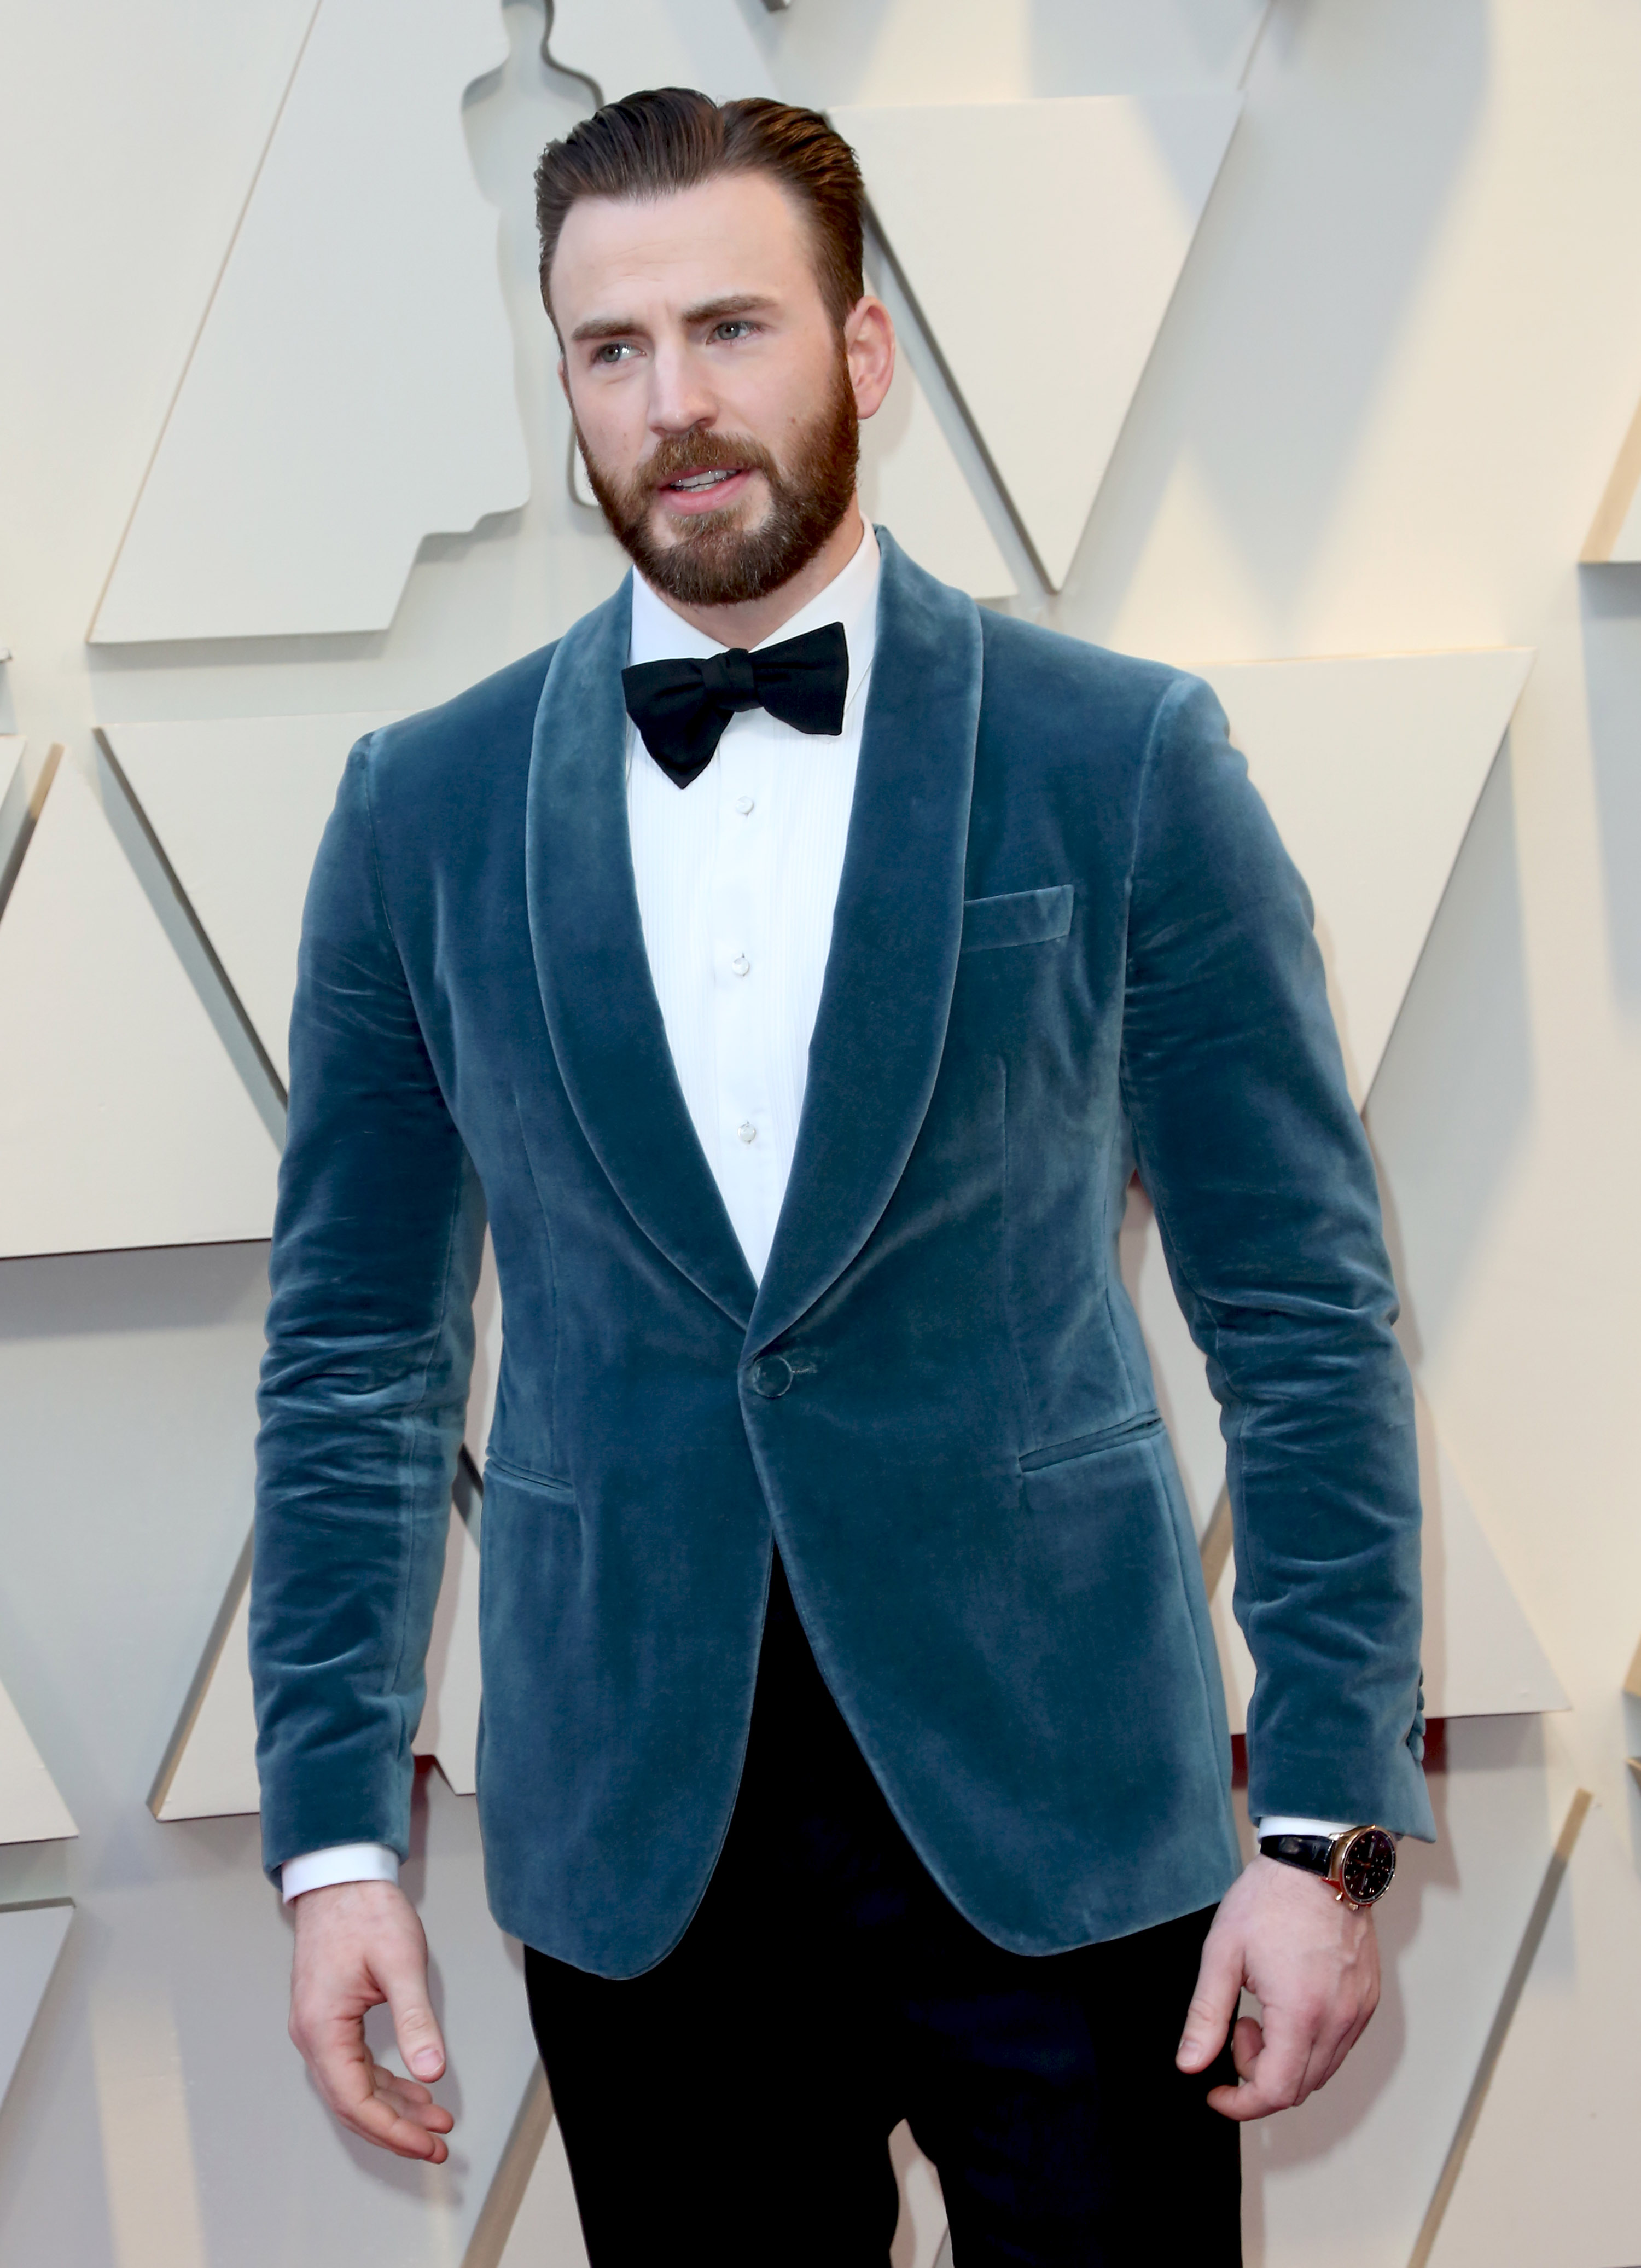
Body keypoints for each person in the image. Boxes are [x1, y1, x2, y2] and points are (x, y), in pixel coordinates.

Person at [252, 90, 1431, 2265]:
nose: (674, 404)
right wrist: (334, 1843)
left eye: (732, 327)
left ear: (863, 350)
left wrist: (1324, 1825)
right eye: (612, 348)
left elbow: (1300, 1310)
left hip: (1068, 1821)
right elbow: (351, 1357)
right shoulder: (419, 809)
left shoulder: (1120, 754)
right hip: (642, 1852)